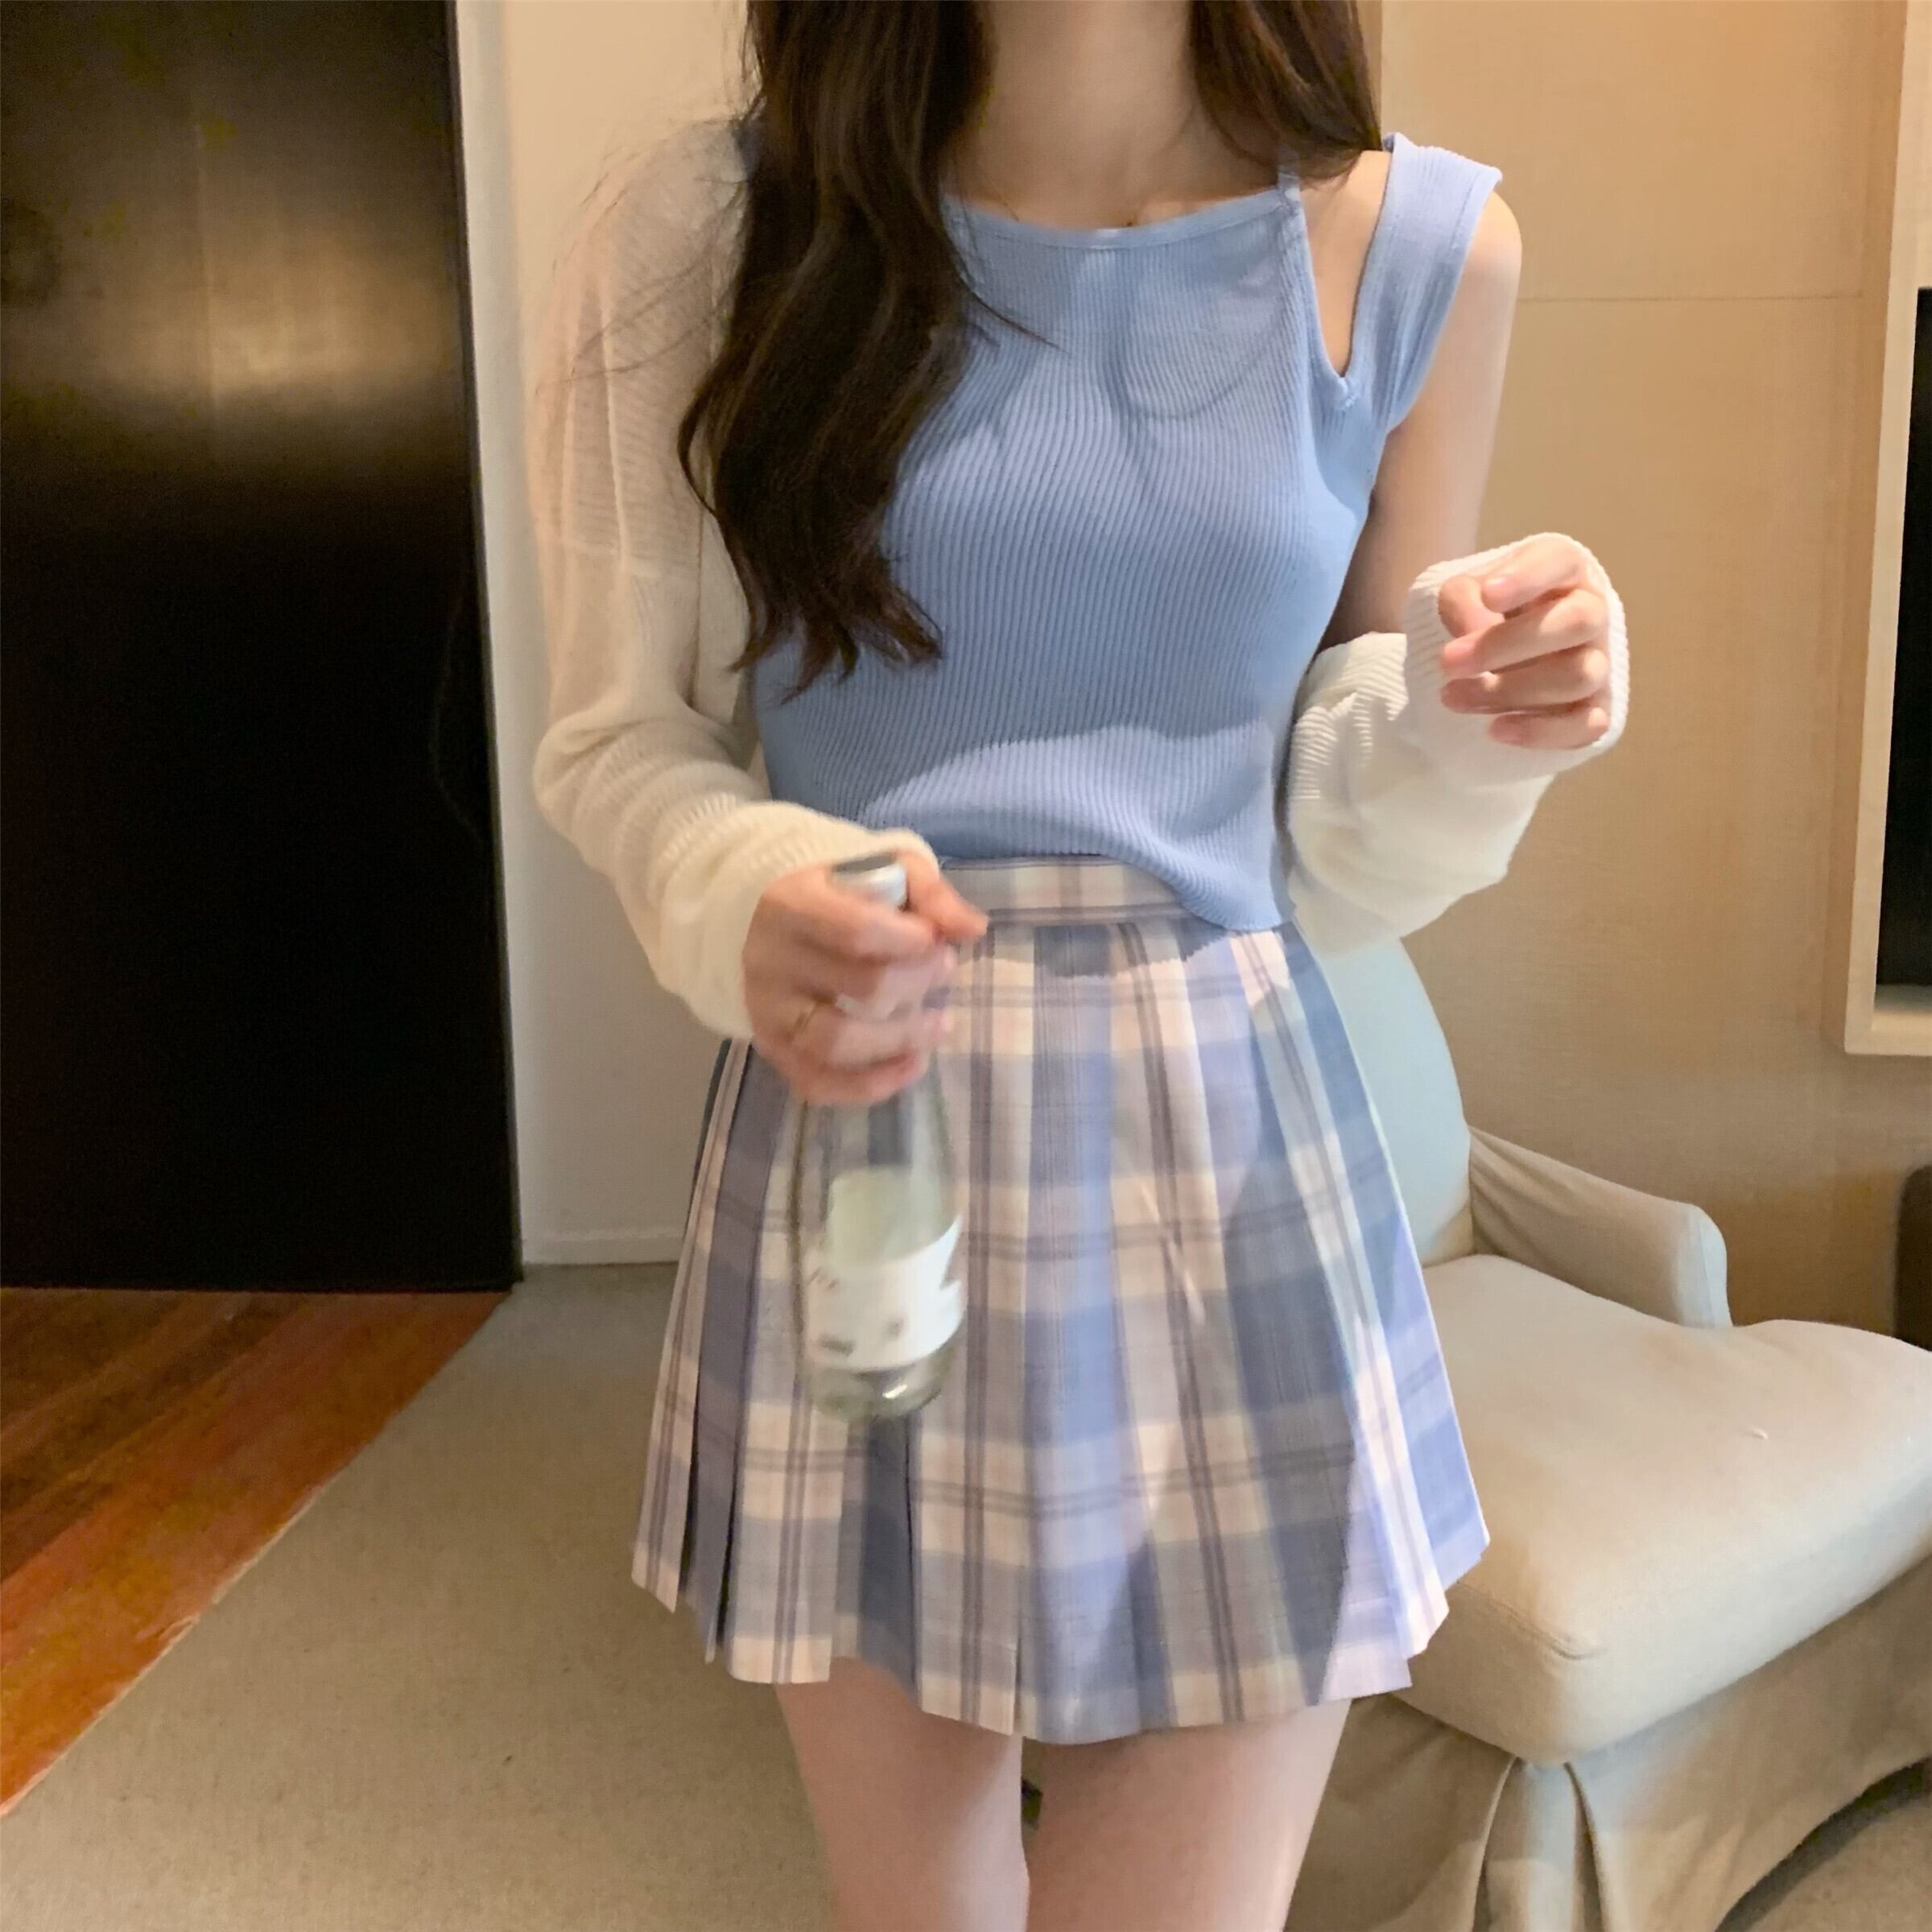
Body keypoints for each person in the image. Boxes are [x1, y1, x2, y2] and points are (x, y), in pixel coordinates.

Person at [528, 4, 1629, 1928]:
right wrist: (754, 882)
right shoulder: (712, 229)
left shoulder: (1420, 255)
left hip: (1230, 1159)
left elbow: (1328, 815)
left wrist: (1476, 726)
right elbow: (619, 739)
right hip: (870, 1141)